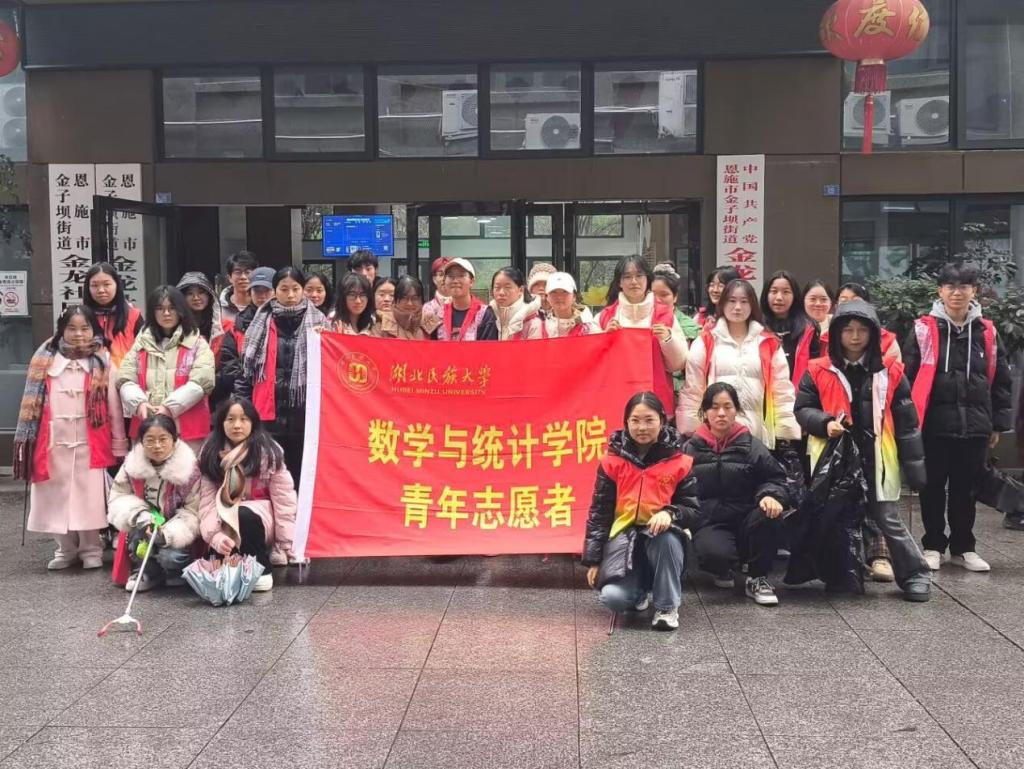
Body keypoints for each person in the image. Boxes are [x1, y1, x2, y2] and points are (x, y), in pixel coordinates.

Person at [796, 299, 932, 602]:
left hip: (877, 456)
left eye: (862, 330)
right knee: (838, 518)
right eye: (848, 330)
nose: (855, 337)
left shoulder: (891, 371)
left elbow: (907, 423)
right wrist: (824, 422)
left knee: (887, 518)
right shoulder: (818, 370)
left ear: (873, 333)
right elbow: (803, 409)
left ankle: (915, 574)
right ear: (837, 334)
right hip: (837, 459)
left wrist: (915, 469)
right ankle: (844, 575)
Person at [904, 263, 1013, 573]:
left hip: (974, 426)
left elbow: (1001, 381)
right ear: (940, 290)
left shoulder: (987, 332)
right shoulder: (923, 330)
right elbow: (907, 378)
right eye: (950, 286)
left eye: (964, 286)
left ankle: (964, 548)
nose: (957, 292)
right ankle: (933, 545)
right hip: (933, 425)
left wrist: (997, 424)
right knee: (932, 488)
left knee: (966, 490)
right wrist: (908, 422)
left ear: (973, 291)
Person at [15, 305, 128, 570]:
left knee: (89, 499)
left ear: (93, 329)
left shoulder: (102, 360)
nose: (78, 334)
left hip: (91, 442)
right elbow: (31, 402)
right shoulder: (45, 359)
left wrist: (119, 443)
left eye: (84, 328)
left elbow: (114, 407)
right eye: (72, 328)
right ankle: (65, 549)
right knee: (54, 498)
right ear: (62, 330)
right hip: (52, 442)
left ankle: (91, 548)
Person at [582, 392, 701, 631]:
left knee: (665, 539)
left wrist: (670, 513)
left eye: (649, 420)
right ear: (626, 422)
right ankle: (639, 593)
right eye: (635, 420)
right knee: (612, 598)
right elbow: (599, 513)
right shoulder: (611, 463)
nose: (641, 427)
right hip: (624, 543)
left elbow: (693, 509)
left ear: (662, 421)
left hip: (663, 542)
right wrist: (594, 560)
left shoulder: (680, 462)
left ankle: (667, 607)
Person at [684, 383, 788, 606]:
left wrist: (770, 495)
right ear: (705, 412)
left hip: (747, 518)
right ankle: (723, 568)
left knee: (770, 515)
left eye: (727, 406)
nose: (721, 413)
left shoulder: (751, 445)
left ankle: (757, 577)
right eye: (714, 407)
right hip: (711, 521)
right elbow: (679, 488)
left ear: (736, 410)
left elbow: (775, 478)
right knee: (714, 554)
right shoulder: (691, 448)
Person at [680, 279, 800, 451]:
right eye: (732, 301)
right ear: (722, 304)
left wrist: (785, 430)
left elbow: (782, 390)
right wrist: (692, 429)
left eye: (744, 302)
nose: (737, 307)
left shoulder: (768, 343)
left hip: (756, 434)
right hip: (715, 436)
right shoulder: (705, 342)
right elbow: (693, 388)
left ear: (752, 306)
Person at [237, 266, 327, 486]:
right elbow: (246, 373)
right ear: (275, 291)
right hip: (267, 416)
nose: (290, 295)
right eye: (284, 289)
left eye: (295, 289)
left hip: (305, 417)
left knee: (301, 477)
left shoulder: (321, 324)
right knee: (268, 476)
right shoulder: (259, 322)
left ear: (303, 290)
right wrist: (244, 410)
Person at [198, 396, 298, 585]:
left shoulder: (269, 453)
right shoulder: (210, 453)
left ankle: (261, 569)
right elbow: (207, 504)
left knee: (242, 513)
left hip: (260, 518)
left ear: (253, 422)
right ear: (221, 423)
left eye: (244, 419)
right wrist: (215, 537)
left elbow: (284, 502)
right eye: (230, 419)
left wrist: (286, 543)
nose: (237, 425)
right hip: (222, 520)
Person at [108, 414, 202, 592]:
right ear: (141, 442)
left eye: (163, 439)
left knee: (171, 556)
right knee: (136, 539)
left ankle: (174, 571)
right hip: (143, 524)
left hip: (176, 529)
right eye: (150, 440)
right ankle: (148, 572)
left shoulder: (191, 470)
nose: (157, 446)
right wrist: (140, 516)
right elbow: (118, 496)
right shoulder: (130, 466)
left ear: (174, 440)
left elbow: (193, 511)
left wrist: (167, 534)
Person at [117, 285, 215, 450]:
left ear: (181, 310)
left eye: (172, 308)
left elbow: (201, 383)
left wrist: (169, 408)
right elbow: (125, 379)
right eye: (160, 308)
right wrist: (139, 404)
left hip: (186, 431)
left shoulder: (198, 344)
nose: (166, 313)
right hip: (147, 428)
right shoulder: (140, 343)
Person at [598, 255, 688, 413]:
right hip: (615, 398)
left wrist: (667, 339)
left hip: (655, 399)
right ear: (619, 282)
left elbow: (678, 364)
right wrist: (605, 338)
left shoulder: (664, 315)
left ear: (648, 279)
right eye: (627, 277)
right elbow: (594, 364)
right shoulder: (605, 317)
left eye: (639, 275)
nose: (634, 281)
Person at [217, 266, 275, 406]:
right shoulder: (237, 325)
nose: (262, 296)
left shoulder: (284, 321)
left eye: (266, 290)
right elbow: (229, 365)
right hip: (246, 397)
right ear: (250, 293)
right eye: (257, 291)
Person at [761, 270, 820, 387]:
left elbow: (815, 367)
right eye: (774, 291)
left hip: (800, 393)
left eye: (786, 292)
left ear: (795, 296)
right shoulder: (757, 328)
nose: (779, 297)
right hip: (765, 393)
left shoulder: (808, 329)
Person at [83, 262, 144, 368]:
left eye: (106, 284)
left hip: (126, 376)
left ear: (117, 285)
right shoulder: (80, 316)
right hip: (90, 375)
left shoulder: (133, 315)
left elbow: (145, 350)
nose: (101, 290)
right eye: (94, 285)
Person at [830, 283, 901, 363]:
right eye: (844, 301)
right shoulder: (825, 337)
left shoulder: (887, 339)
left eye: (856, 301)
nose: (850, 305)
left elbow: (894, 368)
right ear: (836, 306)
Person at [427, 258, 486, 341]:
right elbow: (427, 341)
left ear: (472, 281)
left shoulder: (484, 314)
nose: (455, 281)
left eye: (461, 276)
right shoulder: (437, 313)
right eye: (451, 276)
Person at [523, 272, 598, 339]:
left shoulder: (589, 328)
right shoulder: (538, 328)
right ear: (547, 296)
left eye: (565, 292)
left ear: (574, 297)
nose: (559, 297)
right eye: (554, 292)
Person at [477, 267, 540, 341]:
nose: (501, 293)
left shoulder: (533, 321)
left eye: (507, 287)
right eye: (497, 287)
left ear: (520, 290)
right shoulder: (486, 317)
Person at [371, 275, 441, 340]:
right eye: (404, 298)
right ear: (395, 301)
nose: (409, 303)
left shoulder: (432, 324)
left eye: (415, 298)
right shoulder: (382, 326)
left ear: (421, 301)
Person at [176, 271, 225, 354]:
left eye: (201, 292)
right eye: (190, 293)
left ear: (210, 295)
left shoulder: (223, 327)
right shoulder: (173, 326)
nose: (196, 298)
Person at [694, 266, 740, 331]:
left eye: (721, 286)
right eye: (712, 285)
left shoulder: (741, 319)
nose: (715, 290)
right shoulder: (700, 317)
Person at [220, 250, 257, 327]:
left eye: (247, 272)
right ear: (229, 278)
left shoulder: (263, 307)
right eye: (238, 272)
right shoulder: (219, 309)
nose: (243, 277)